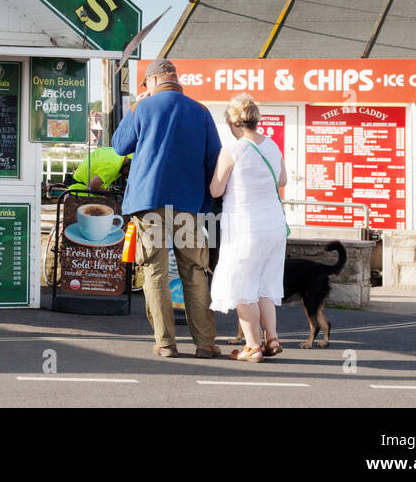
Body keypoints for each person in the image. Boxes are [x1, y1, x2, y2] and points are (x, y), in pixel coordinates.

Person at [113, 57, 222, 358]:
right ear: (175, 79)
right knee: (195, 272)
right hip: (188, 206)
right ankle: (205, 343)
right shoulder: (200, 111)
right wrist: (207, 205)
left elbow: (120, 145)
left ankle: (165, 343)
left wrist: (136, 104)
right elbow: (214, 159)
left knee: (155, 272)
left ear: (151, 82)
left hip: (149, 205)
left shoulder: (142, 108)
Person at [208, 94, 288, 362]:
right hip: (275, 225)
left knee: (242, 285)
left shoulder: (233, 150)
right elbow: (283, 178)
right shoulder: (273, 146)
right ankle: (272, 338)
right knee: (265, 282)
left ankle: (252, 347)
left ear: (234, 122)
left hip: (246, 226)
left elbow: (216, 189)